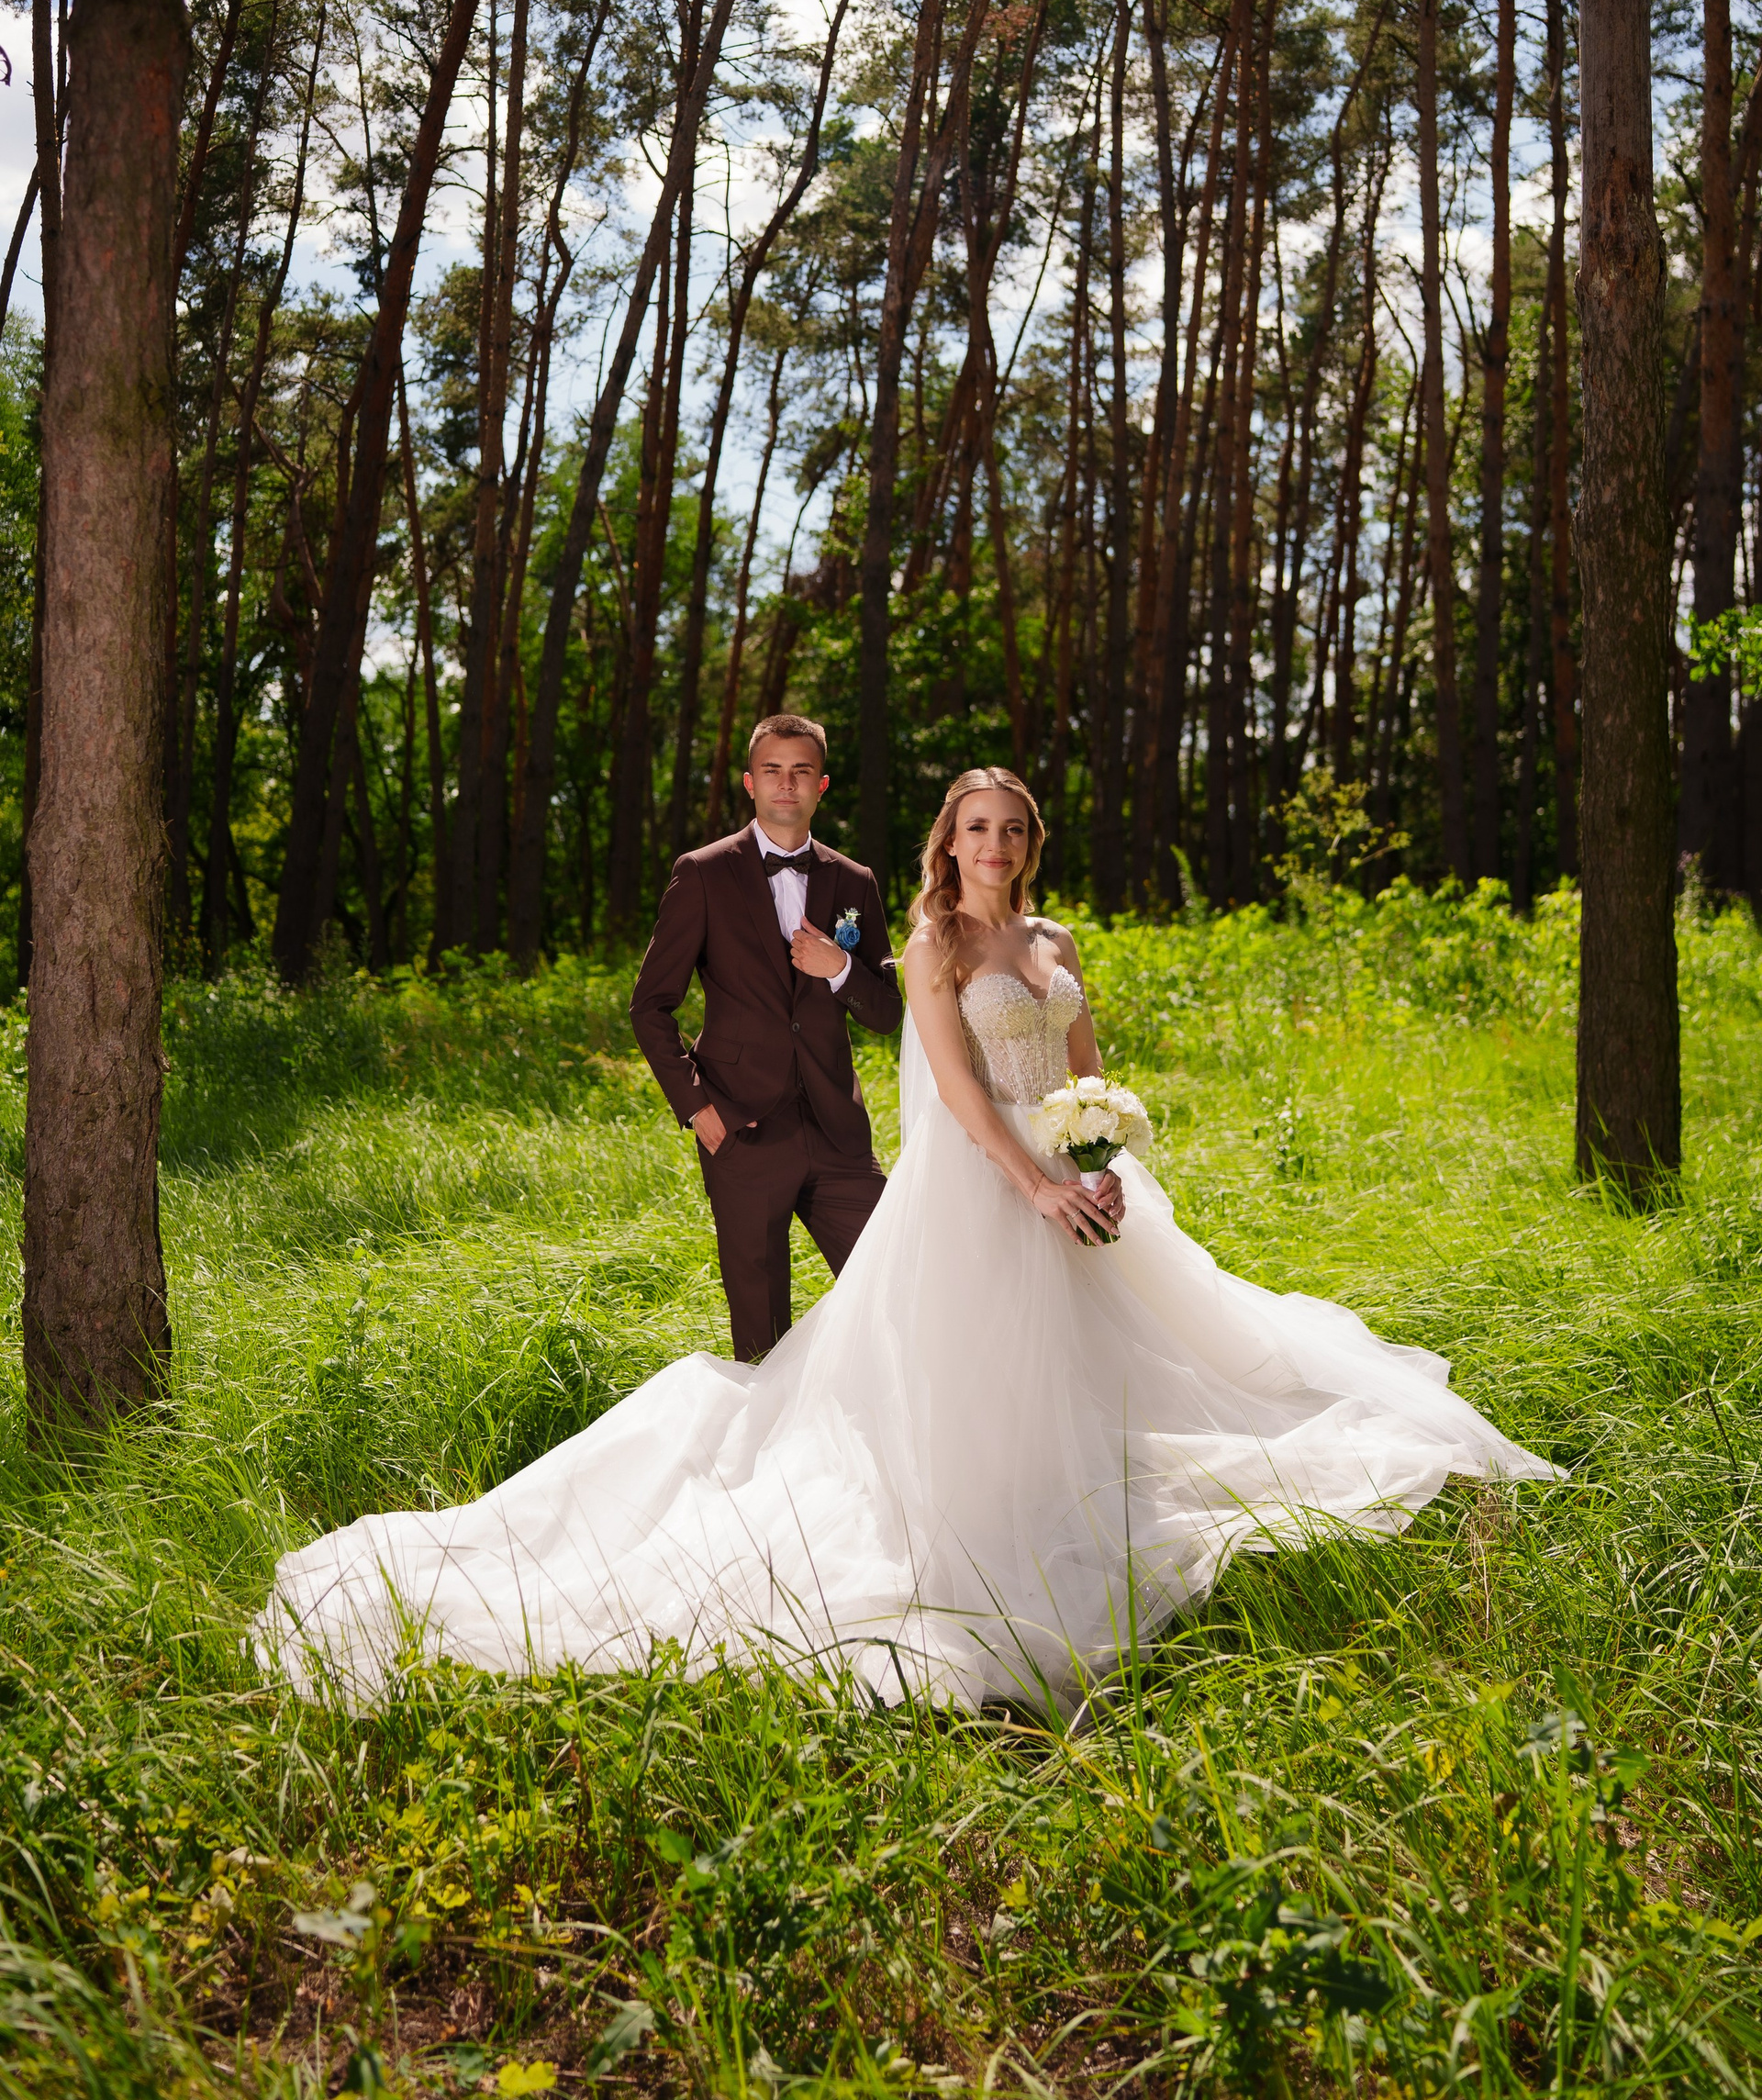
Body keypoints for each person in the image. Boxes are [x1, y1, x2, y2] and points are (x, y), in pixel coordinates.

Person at [261, 767, 1556, 1714]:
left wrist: (1101, 1164)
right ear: (949, 843)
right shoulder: (933, 945)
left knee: (1191, 1359)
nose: (995, 845)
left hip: (1072, 1177)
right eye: (975, 827)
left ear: (1030, 844)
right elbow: (956, 1091)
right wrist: (1034, 1185)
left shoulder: (1054, 940)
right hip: (981, 1191)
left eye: (1013, 829)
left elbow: (1084, 1071)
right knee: (984, 1392)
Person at [630, 713, 902, 1361]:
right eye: (772, 770)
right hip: (741, 1127)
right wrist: (698, 1108)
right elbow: (650, 1006)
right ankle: (767, 1429)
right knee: (760, 1333)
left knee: (893, 1288)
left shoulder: (855, 881)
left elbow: (887, 1012)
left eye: (801, 771)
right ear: (750, 782)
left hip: (838, 1131)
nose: (787, 783)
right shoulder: (702, 873)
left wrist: (840, 969)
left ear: (822, 784)